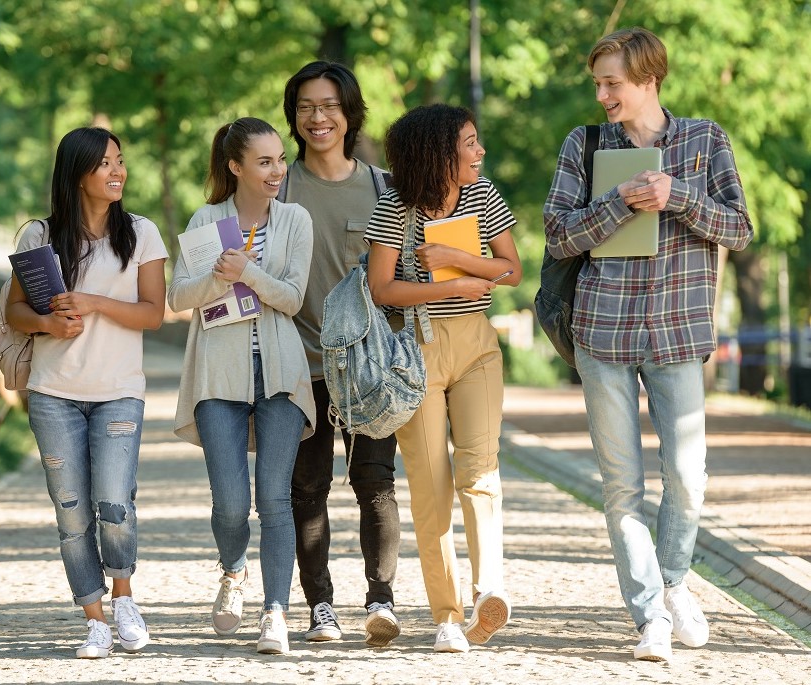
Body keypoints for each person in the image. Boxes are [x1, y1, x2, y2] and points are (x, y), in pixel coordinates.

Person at [542, 27, 753, 662]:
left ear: (648, 79)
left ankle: (673, 582)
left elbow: (738, 229)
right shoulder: (584, 145)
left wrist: (678, 197)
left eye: (613, 83)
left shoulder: (705, 140)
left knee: (688, 478)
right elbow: (556, 235)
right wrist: (618, 204)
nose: (603, 94)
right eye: (598, 83)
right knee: (621, 486)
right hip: (602, 333)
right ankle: (649, 617)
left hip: (679, 333)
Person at [5, 127, 167, 659]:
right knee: (72, 510)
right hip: (54, 393)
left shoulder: (141, 233)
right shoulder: (39, 237)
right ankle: (93, 617)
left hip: (119, 390)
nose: (117, 171)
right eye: (104, 164)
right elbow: (14, 313)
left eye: (120, 161)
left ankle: (124, 598)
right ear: (77, 174)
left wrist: (95, 302)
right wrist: (49, 325)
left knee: (114, 502)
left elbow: (153, 313)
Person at [365, 104, 521, 653]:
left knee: (481, 472)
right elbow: (382, 289)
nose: (480, 152)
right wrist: (446, 287)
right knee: (431, 488)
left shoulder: (483, 197)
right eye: (470, 143)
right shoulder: (394, 208)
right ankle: (447, 616)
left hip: (477, 346)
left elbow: (511, 270)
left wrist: (458, 258)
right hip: (416, 352)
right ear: (438, 153)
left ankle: (488, 591)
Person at [168, 117, 314, 655]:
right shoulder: (207, 219)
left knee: (274, 498)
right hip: (218, 371)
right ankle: (233, 570)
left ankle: (275, 610)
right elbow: (179, 298)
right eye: (264, 161)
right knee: (231, 503)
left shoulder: (295, 219)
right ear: (236, 167)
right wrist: (219, 276)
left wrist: (249, 273)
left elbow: (294, 298)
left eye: (280, 160)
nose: (277, 170)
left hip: (279, 371)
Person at [280, 61, 403, 646]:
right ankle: (319, 606)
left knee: (375, 482)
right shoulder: (275, 188)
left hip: (368, 371)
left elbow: (401, 275)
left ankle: (381, 601)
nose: (317, 117)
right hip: (298, 366)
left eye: (328, 105)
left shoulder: (384, 188)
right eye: (306, 107)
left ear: (350, 113)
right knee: (306, 490)